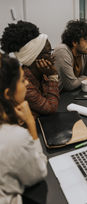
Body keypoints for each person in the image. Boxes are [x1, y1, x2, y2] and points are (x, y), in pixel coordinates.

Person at [0, 53, 47, 203]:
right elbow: (39, 172)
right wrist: (31, 125)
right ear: (8, 94)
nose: (27, 83)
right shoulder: (14, 137)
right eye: (22, 80)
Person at [0, 21, 59, 117]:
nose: (52, 56)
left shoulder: (42, 73)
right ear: (35, 58)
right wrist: (53, 76)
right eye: (48, 53)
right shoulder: (24, 83)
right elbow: (51, 108)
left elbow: (52, 100)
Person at [54, 20, 87, 91]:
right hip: (61, 97)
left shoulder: (86, 51)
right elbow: (70, 85)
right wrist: (84, 77)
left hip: (75, 94)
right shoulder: (62, 51)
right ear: (74, 42)